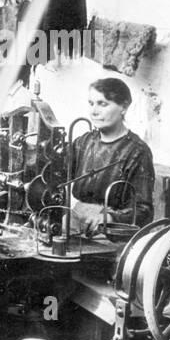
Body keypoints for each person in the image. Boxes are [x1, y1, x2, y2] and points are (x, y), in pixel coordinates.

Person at [67, 77, 154, 235]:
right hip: (74, 224)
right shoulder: (83, 142)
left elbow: (144, 211)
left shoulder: (137, 151)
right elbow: (55, 178)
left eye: (103, 104)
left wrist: (109, 218)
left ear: (124, 107)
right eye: (91, 103)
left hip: (111, 233)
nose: (94, 111)